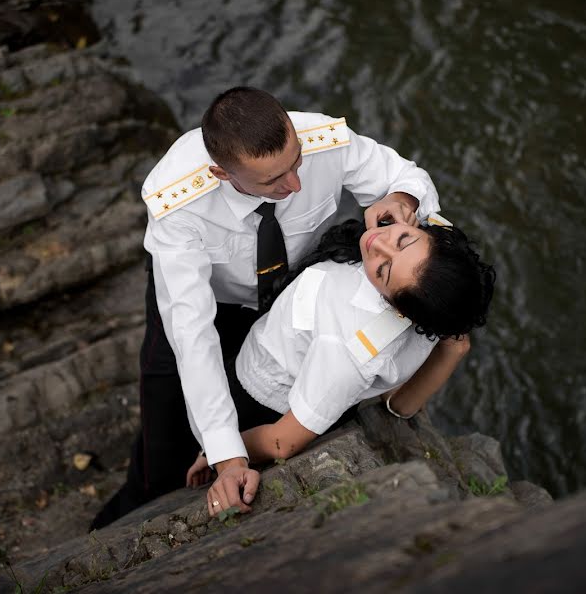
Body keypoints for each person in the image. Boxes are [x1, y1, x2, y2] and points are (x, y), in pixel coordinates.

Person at [90, 87, 441, 530]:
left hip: (282, 304)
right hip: (203, 306)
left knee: (261, 402)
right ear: (221, 172)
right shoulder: (176, 203)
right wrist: (229, 458)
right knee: (162, 446)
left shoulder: (320, 139)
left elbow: (405, 176)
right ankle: (120, 521)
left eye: (296, 164)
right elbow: (193, 336)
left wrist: (403, 199)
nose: (294, 184)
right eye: (273, 181)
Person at [185, 218, 496, 516]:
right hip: (283, 352)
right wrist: (456, 345)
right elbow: (400, 405)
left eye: (384, 270)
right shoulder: (431, 292)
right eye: (404, 238)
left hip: (258, 397)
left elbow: (281, 442)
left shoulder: (347, 353)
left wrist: (219, 451)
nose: (380, 245)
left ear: (396, 307)